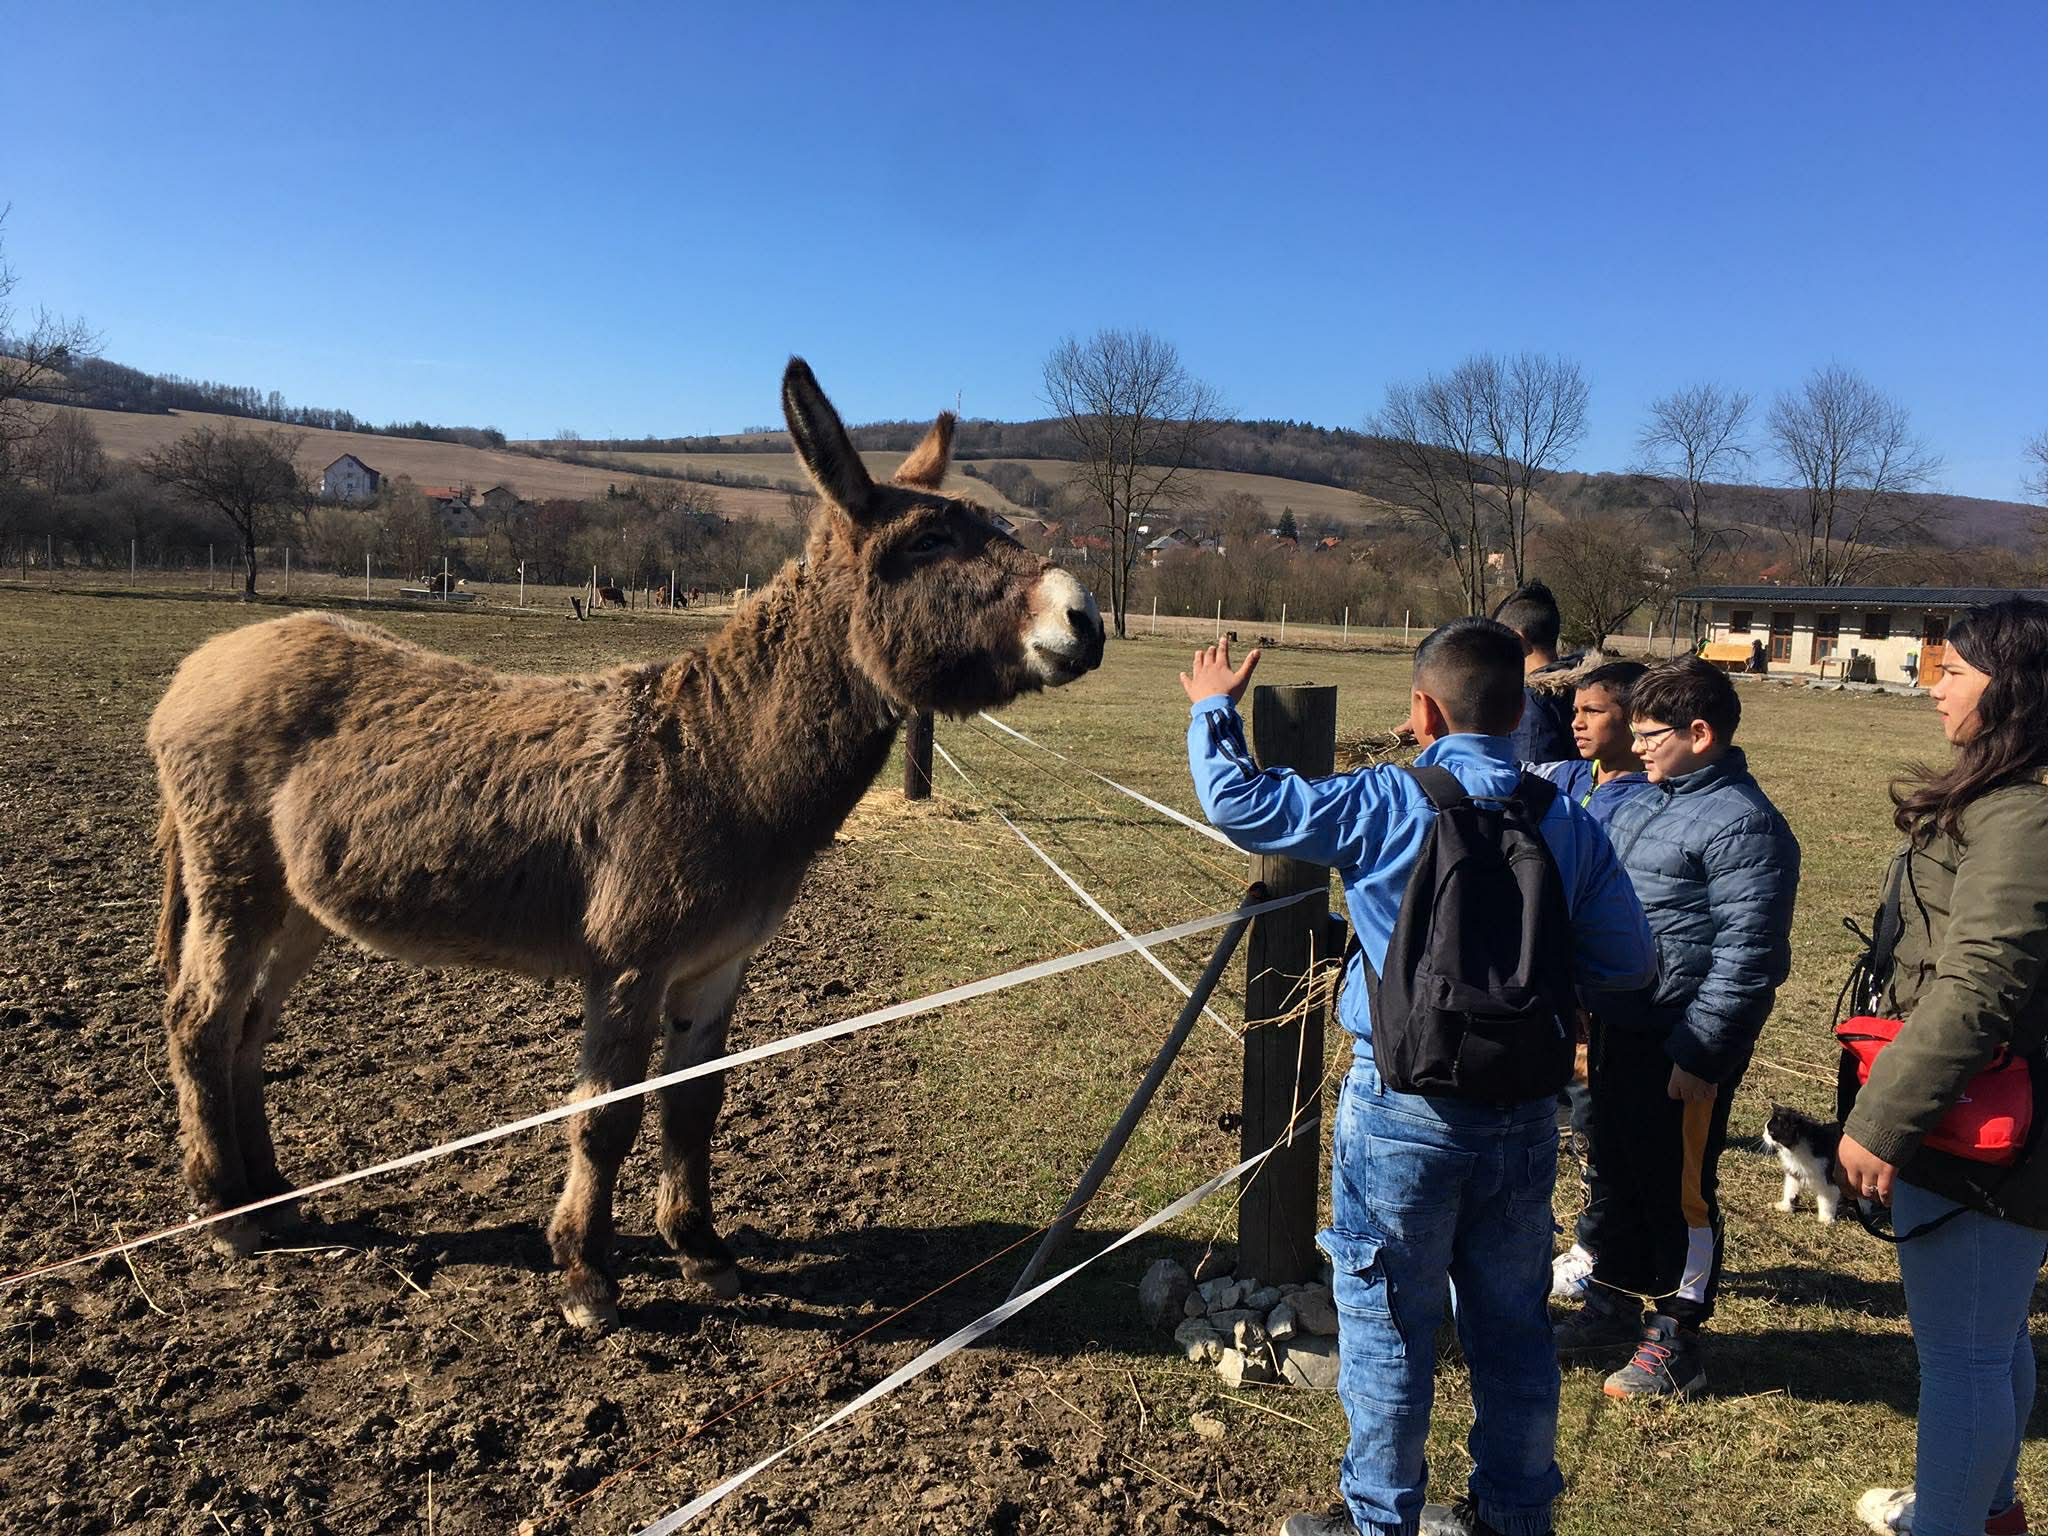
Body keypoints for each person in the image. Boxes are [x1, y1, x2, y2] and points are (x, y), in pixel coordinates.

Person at [1181, 622, 1654, 1536]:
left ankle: (1381, 1521)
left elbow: (1242, 805)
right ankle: (1514, 1517)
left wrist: (1213, 710)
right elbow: (1629, 963)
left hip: (1401, 1105)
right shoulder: (1565, 818)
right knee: (1513, 1327)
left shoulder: (1387, 801)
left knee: (1389, 1328)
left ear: (1424, 712)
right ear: (1518, 712)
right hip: (1524, 1115)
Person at [1837, 598, 2048, 1536]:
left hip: (1984, 1119)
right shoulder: (2007, 798)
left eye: (1955, 671)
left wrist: (1884, 1119)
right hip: (1982, 1103)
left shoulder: (2026, 814)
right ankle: (1989, 1512)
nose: (1935, 688)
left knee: (1963, 1357)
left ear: (2015, 689)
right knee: (1990, 1337)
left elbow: (1980, 984)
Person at [1551, 657, 1800, 1398]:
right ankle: (1612, 1302)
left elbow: (1748, 956)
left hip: (1681, 1039)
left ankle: (1677, 1336)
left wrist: (1701, 1052)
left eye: (1650, 734)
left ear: (1700, 733)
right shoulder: (1641, 802)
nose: (1636, 746)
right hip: (1618, 1026)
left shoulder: (1746, 825)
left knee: (1679, 1187)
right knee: (1616, 1170)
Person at [1526, 660, 1654, 1305]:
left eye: (1594, 712)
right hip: (1545, 982)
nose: (1576, 723)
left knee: (1595, 1128)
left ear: (1634, 721)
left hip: (1599, 989)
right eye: (1574, 710)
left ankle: (1595, 1248)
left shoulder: (1648, 798)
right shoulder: (1565, 778)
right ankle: (1542, 1235)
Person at [1491, 581, 1584, 763]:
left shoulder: (1530, 702)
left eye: (1498, 639)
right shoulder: (1588, 688)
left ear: (1515, 639)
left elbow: (1532, 773)